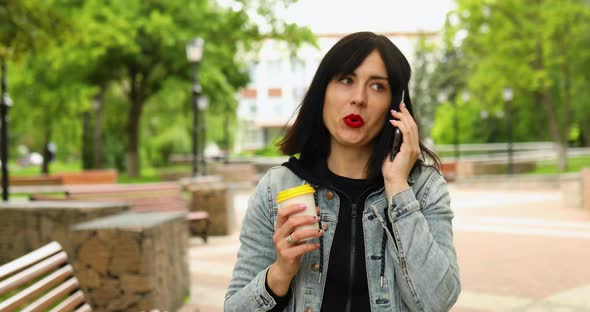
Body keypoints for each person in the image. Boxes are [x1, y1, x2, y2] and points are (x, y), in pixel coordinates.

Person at [225, 31, 461, 312]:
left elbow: (438, 301)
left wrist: (398, 187)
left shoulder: (424, 188)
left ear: (395, 107)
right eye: (346, 80)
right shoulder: (277, 187)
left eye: (377, 87)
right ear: (323, 91)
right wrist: (280, 273)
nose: (358, 98)